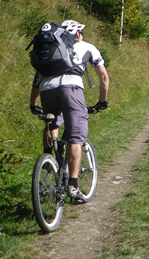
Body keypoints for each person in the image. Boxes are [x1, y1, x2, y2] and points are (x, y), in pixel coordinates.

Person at [29, 19, 109, 201]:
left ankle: (48, 160)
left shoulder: (51, 51)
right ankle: (73, 185)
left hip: (47, 91)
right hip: (71, 90)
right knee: (75, 136)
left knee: (53, 122)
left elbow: (36, 81)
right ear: (78, 33)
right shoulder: (87, 47)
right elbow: (104, 77)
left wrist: (33, 105)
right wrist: (101, 101)